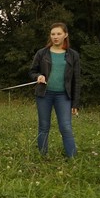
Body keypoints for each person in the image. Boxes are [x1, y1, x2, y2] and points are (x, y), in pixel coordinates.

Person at [29, 22, 81, 158]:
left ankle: (72, 158)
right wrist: (38, 76)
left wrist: (75, 103)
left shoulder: (73, 55)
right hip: (44, 95)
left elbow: (76, 80)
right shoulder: (42, 53)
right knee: (44, 126)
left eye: (59, 34)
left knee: (66, 126)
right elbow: (32, 71)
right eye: (53, 34)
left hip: (63, 96)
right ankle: (42, 156)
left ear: (65, 35)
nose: (55, 37)